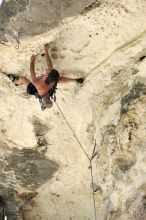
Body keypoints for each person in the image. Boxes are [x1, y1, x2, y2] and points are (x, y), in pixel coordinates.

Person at [8, 44, 84, 110]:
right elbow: (52, 71)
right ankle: (46, 51)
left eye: (48, 72)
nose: (47, 70)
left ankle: (16, 82)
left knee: (22, 78)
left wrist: (32, 60)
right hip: (44, 90)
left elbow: (32, 71)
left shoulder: (37, 83)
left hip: (35, 90)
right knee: (52, 69)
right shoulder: (51, 84)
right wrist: (46, 50)